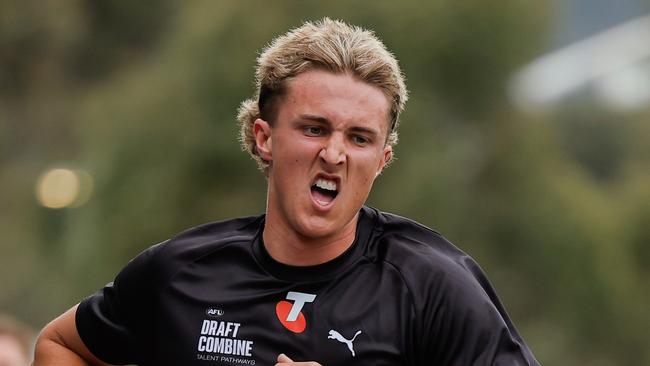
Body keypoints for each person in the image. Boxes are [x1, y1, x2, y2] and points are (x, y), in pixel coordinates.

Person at [34, 18, 540, 365]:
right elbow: (60, 345)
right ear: (264, 137)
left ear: (383, 159)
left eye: (359, 138)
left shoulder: (433, 287)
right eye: (315, 129)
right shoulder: (180, 274)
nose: (335, 155)